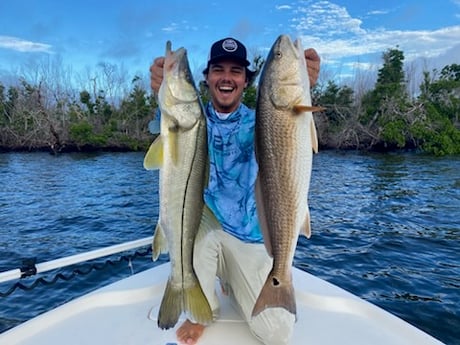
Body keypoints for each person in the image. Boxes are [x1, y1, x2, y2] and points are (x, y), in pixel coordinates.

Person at [149, 37, 320, 345]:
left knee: (277, 333)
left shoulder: (263, 120)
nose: (226, 77)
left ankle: (230, 279)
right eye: (218, 69)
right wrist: (161, 94)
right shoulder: (192, 119)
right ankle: (205, 309)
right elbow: (159, 129)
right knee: (194, 241)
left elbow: (289, 126)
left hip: (251, 239)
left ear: (246, 81)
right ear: (207, 77)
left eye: (236, 71)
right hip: (206, 231)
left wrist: (304, 85)